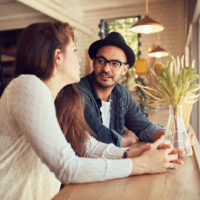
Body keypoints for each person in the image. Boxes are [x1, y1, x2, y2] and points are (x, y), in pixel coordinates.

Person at [0, 22, 182, 200]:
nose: (80, 59)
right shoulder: (28, 86)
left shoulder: (59, 96)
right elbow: (67, 167)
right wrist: (139, 165)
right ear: (58, 57)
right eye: (74, 51)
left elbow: (88, 146)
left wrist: (131, 153)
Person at [76, 32, 165, 147]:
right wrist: (125, 139)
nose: (106, 69)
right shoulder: (77, 92)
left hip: (116, 161)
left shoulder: (122, 94)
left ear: (124, 69)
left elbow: (143, 127)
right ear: (93, 62)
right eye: (101, 61)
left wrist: (171, 136)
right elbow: (97, 137)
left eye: (115, 63)